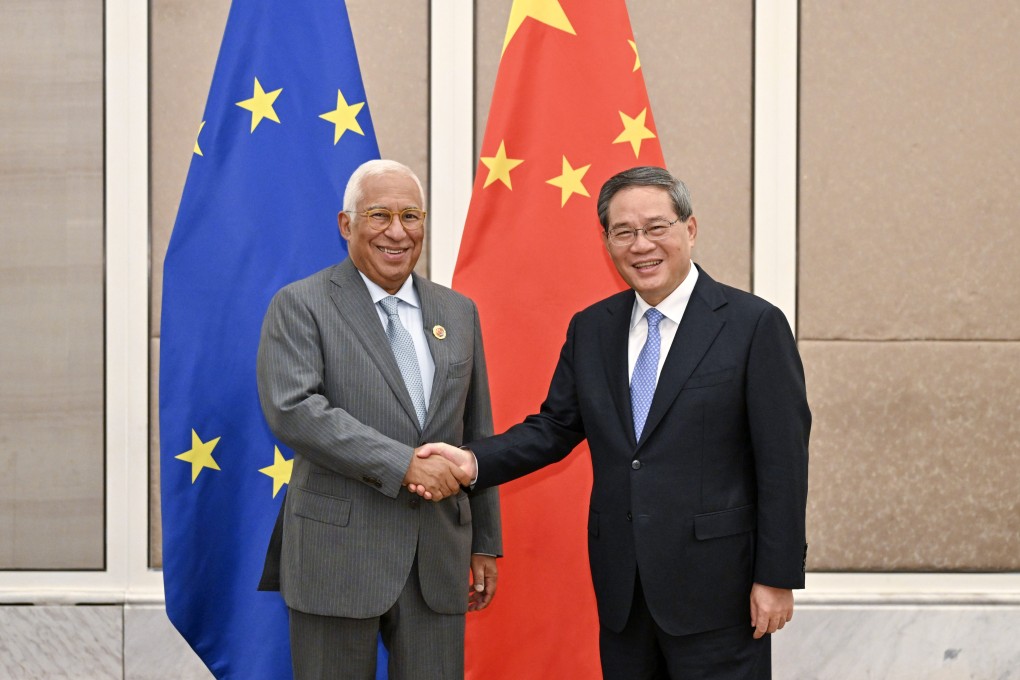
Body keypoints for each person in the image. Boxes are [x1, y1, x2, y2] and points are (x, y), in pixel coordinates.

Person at [414, 166, 809, 679]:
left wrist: (776, 577)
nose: (641, 244)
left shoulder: (754, 325)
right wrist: (470, 461)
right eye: (624, 232)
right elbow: (553, 429)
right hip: (625, 590)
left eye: (656, 227)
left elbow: (783, 461)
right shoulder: (592, 328)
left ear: (689, 229)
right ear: (606, 242)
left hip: (720, 591)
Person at [256, 159, 501, 679]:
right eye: (379, 215)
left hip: (438, 556)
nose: (398, 231)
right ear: (347, 225)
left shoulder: (458, 312)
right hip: (337, 554)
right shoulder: (301, 304)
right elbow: (295, 411)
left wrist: (484, 542)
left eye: (411, 216)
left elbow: (477, 431)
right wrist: (404, 464)